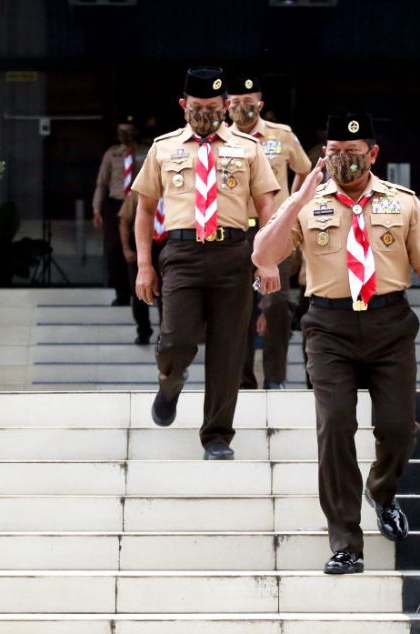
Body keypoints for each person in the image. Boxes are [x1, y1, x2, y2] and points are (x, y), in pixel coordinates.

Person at [253, 114, 420, 574]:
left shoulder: (401, 203)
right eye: (336, 152)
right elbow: (263, 255)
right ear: (325, 154)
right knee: (335, 426)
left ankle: (382, 491)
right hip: (329, 328)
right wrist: (299, 197)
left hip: (389, 323)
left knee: (399, 427)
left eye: (354, 152)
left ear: (373, 154)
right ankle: (346, 540)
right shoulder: (309, 203)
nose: (345, 161)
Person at [131, 67, 280, 460]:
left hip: (234, 253)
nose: (205, 114)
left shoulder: (247, 148)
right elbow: (144, 210)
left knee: (229, 351)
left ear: (225, 106)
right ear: (184, 106)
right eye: (197, 107)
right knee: (176, 339)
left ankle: (216, 435)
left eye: (213, 107)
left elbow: (267, 206)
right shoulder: (163, 148)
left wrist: (266, 260)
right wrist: (144, 266)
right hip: (181, 253)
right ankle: (170, 382)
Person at [227, 74, 312, 389]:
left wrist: (294, 205)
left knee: (276, 305)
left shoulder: (282, 135)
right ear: (226, 107)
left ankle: (275, 378)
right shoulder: (220, 140)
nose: (243, 107)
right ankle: (244, 379)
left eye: (249, 102)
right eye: (236, 103)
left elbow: (304, 170)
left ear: (260, 104)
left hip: (276, 233)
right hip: (235, 234)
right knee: (240, 309)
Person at [94, 115, 148, 307]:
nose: (125, 135)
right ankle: (121, 293)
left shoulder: (146, 152)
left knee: (139, 247)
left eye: (129, 131)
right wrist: (97, 208)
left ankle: (141, 293)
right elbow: (102, 183)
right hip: (116, 203)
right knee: (114, 249)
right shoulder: (112, 154)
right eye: (121, 131)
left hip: (139, 203)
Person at [119, 192, 164, 343]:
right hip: (141, 245)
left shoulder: (178, 190)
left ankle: (165, 334)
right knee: (139, 293)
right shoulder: (138, 194)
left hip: (167, 245)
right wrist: (126, 249)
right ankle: (143, 330)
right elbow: (124, 221)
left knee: (168, 295)